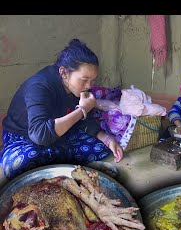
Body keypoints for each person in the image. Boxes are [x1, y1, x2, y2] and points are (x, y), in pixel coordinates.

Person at [0, 39, 124, 180]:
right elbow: (40, 134)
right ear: (64, 72)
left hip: (58, 134)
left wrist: (108, 140)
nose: (89, 86)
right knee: (25, 162)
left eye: (93, 80)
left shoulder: (76, 87)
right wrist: (82, 109)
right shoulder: (39, 86)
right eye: (84, 80)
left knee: (101, 147)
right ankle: (66, 163)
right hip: (24, 136)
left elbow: (85, 120)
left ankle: (59, 163)